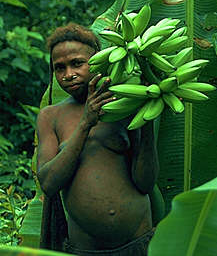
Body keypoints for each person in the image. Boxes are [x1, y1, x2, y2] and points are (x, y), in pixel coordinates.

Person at [36, 22, 159, 256]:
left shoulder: (124, 106)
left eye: (77, 63)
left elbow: (145, 183)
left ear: (98, 61)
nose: (68, 74)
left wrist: (147, 119)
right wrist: (86, 122)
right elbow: (49, 183)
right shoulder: (50, 117)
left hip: (138, 245)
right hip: (85, 251)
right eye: (59, 68)